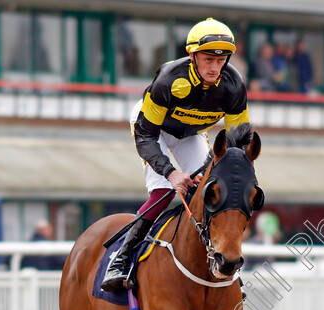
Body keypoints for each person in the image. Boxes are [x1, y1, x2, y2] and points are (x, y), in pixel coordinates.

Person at [101, 18, 250, 291]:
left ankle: (223, 263)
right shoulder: (170, 80)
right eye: (208, 60)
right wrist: (171, 173)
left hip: (190, 134)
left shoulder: (234, 85)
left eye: (221, 60)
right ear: (192, 56)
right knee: (165, 193)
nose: (215, 68)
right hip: (153, 129)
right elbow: (145, 136)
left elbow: (238, 140)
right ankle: (120, 259)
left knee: (210, 190)